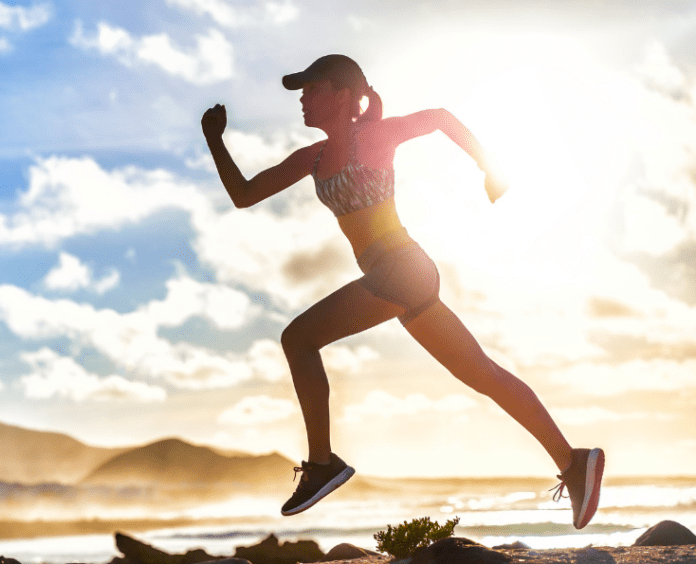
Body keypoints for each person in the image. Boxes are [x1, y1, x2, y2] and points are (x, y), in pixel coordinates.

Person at [201, 54, 604, 529]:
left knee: (299, 339)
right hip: (398, 277)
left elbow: (438, 119)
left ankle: (323, 464)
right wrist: (215, 140)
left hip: (401, 269)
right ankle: (573, 461)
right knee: (483, 374)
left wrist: (489, 166)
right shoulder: (310, 158)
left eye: (312, 89)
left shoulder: (375, 135)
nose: (303, 100)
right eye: (301, 92)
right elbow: (244, 194)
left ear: (343, 94)